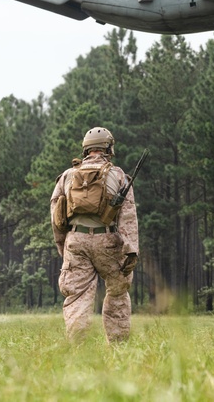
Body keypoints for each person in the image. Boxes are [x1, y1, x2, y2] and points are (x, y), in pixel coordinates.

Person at [50, 127, 139, 343]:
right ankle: (118, 349)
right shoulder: (118, 175)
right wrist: (131, 250)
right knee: (117, 294)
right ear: (108, 147)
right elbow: (128, 216)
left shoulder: (68, 176)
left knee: (77, 297)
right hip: (108, 242)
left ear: (86, 149)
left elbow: (56, 216)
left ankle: (78, 349)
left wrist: (63, 245)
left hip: (75, 241)